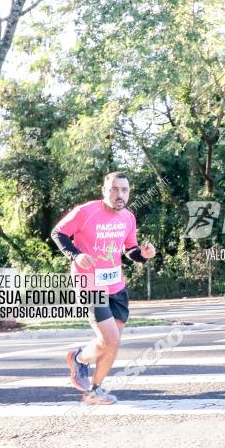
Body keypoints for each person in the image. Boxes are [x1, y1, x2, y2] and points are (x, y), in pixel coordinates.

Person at [51, 172, 156, 405]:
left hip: (116, 285)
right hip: (89, 284)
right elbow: (58, 233)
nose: (120, 195)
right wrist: (76, 256)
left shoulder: (128, 218)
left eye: (125, 190)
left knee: (110, 341)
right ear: (104, 190)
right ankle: (87, 375)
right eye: (115, 189)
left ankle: (85, 371)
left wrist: (144, 255)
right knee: (110, 339)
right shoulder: (86, 212)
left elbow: (130, 249)